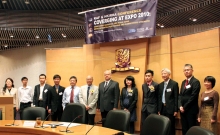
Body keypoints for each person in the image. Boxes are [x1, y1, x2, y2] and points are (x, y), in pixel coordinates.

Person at [178, 64, 201, 135]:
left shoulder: (195, 82)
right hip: (182, 110)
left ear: (192, 71)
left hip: (191, 110)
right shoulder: (183, 82)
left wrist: (184, 107)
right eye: (185, 70)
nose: (186, 71)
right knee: (184, 129)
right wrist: (180, 106)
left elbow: (193, 96)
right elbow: (180, 95)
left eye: (188, 70)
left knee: (191, 129)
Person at [158, 68, 179, 135]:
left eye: (165, 73)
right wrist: (159, 109)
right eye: (162, 74)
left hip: (171, 108)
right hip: (162, 108)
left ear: (169, 74)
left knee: (170, 126)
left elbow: (176, 97)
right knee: (162, 125)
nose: (163, 75)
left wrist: (176, 110)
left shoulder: (174, 84)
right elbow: (159, 98)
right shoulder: (160, 85)